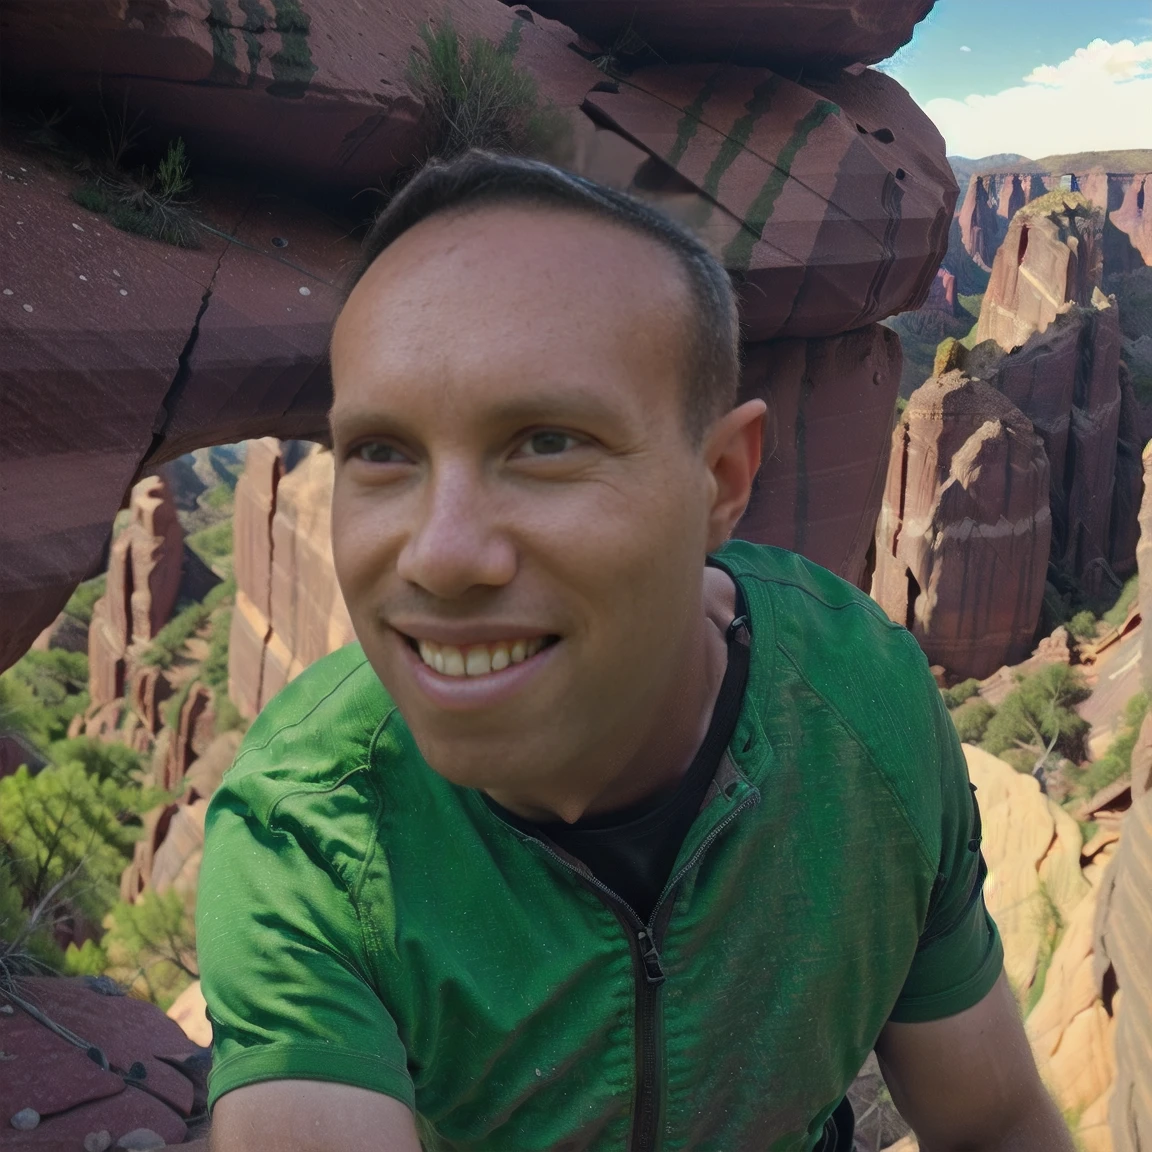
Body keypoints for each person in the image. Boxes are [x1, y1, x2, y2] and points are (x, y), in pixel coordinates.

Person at [197, 151, 1074, 1152]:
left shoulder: (862, 707)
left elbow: (996, 1124)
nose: (440, 556)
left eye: (546, 443)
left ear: (722, 480)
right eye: (382, 452)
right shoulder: (304, 832)